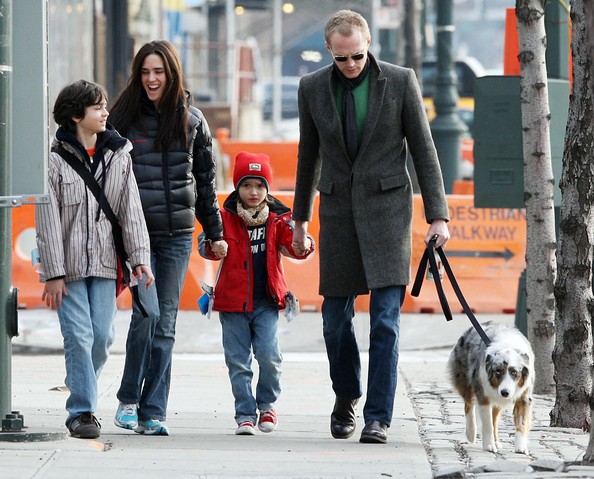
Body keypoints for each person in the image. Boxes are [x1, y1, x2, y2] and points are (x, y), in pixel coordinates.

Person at [291, 10, 451, 444]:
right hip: (338, 214)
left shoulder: (400, 82)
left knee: (385, 322)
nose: (350, 65)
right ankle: (346, 398)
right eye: (342, 58)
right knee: (333, 324)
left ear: (368, 46)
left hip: (388, 214)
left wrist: (439, 215)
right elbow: (309, 156)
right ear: (329, 50)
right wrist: (300, 220)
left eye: (358, 56)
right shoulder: (311, 88)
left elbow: (424, 148)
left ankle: (378, 416)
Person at [108, 40, 227, 436]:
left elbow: (206, 185)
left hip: (177, 235)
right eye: (145, 72)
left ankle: (153, 410)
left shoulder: (192, 122)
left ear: (172, 74)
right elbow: (105, 178)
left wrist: (215, 233)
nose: (151, 79)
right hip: (137, 235)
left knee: (167, 323)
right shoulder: (122, 119)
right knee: (148, 314)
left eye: (158, 72)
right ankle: (128, 397)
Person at [35, 79, 154, 439]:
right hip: (67, 270)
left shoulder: (119, 155)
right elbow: (48, 221)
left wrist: (139, 259)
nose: (105, 112)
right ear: (75, 116)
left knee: (101, 338)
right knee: (79, 336)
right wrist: (53, 273)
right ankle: (82, 412)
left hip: (104, 265)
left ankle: (81, 383)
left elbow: (130, 210)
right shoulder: (53, 162)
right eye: (97, 107)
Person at [198, 151, 315, 436]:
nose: (254, 191)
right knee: (238, 363)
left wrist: (305, 243)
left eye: (260, 185)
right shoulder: (223, 217)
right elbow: (204, 244)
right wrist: (214, 246)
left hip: (266, 301)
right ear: (237, 187)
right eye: (247, 185)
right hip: (232, 302)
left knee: (270, 357)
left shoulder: (278, 218)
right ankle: (244, 414)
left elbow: (296, 244)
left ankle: (267, 404)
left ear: (268, 188)